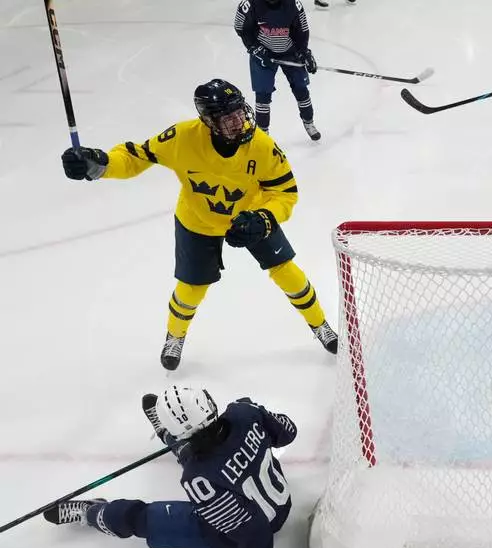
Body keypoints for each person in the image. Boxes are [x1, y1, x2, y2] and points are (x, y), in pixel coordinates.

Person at [60, 78, 338, 370]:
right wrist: (99, 163)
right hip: (197, 220)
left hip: (249, 216)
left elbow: (285, 193)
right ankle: (175, 336)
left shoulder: (262, 146)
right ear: (208, 121)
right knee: (191, 287)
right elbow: (134, 157)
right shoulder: (182, 138)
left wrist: (263, 218)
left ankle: (320, 325)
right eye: (228, 118)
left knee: (286, 271)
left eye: (239, 112)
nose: (239, 122)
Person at [43, 388, 298, 548]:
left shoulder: (198, 478)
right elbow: (288, 432)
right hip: (282, 503)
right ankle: (167, 434)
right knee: (200, 452)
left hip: (230, 536)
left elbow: (252, 529)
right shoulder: (244, 413)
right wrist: (258, 414)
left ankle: (92, 512)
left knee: (139, 518)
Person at [234, 0, 321, 140]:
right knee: (263, 94)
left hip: (290, 52)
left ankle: (309, 122)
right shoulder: (249, 4)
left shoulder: (294, 4)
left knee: (301, 88)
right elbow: (241, 28)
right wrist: (256, 48)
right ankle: (263, 134)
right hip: (263, 52)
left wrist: (304, 53)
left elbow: (302, 30)